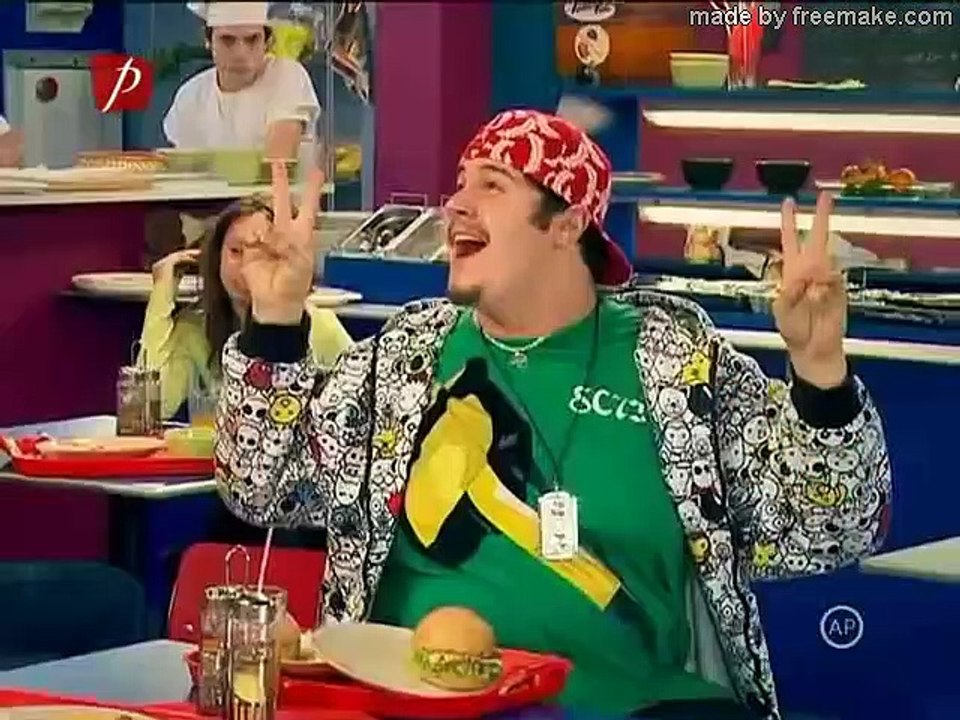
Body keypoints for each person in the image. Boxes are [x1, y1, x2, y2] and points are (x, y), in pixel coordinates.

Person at [214, 110, 891, 720]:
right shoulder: (404, 357)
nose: (455, 204)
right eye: (460, 183)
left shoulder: (678, 363)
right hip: (407, 706)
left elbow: (829, 531)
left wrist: (820, 370)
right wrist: (274, 320)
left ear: (568, 225)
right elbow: (263, 489)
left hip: (631, 707)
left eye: (492, 185)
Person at [139, 194, 351, 421]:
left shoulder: (321, 327)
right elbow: (151, 408)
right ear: (217, 258)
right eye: (236, 252)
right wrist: (161, 292)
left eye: (264, 253)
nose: (247, 267)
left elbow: (361, 408)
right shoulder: (194, 330)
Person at [164, 1, 319, 158]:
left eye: (252, 39)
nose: (240, 54)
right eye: (227, 40)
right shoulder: (190, 96)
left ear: (267, 42)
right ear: (208, 41)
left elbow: (278, 161)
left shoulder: (287, 76)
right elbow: (183, 166)